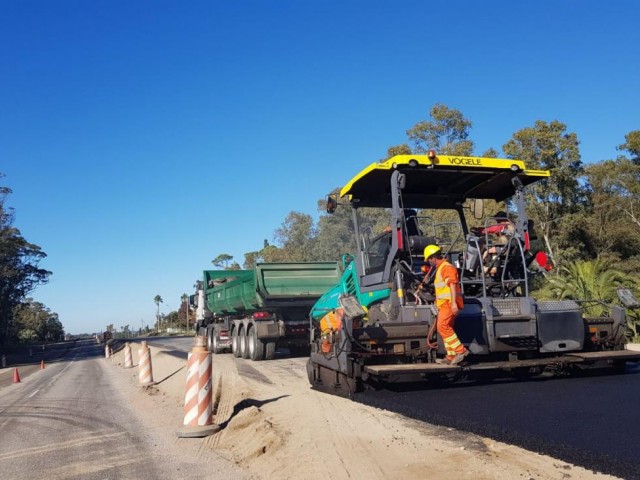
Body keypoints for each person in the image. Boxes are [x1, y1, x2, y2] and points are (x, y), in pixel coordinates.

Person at [423, 244, 469, 365]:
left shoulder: (446, 267)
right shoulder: (441, 268)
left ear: (434, 257)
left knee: (442, 327)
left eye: (429, 259)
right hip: (444, 304)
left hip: (449, 304)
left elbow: (452, 285)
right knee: (447, 329)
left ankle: (461, 350)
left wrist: (454, 303)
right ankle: (450, 356)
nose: (428, 262)